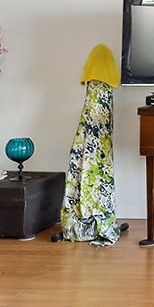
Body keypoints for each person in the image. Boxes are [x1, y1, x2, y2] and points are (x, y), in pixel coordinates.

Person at [60, 43, 120, 245]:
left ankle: (86, 222)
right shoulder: (102, 91)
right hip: (95, 147)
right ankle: (89, 222)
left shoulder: (98, 91)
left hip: (91, 145)